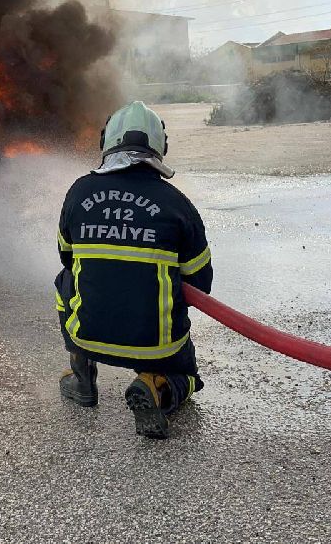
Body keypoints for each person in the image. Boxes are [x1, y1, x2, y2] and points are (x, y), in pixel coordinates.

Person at [55, 101, 213, 439]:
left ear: (106, 142)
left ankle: (82, 377)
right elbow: (200, 284)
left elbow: (66, 258)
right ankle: (154, 385)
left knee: (64, 281)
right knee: (188, 377)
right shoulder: (177, 204)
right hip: (157, 346)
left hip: (87, 335)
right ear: (161, 147)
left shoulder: (79, 192)